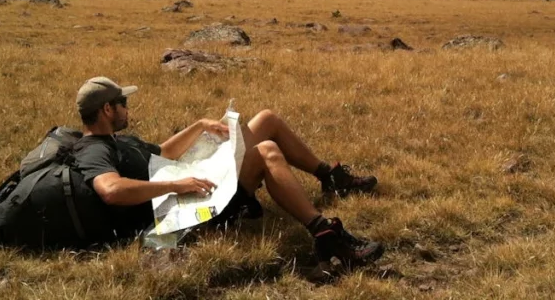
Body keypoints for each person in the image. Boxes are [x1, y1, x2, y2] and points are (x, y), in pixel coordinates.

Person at [72, 76, 384, 267]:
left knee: (266, 120)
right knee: (266, 152)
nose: (128, 107)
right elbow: (111, 191)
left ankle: (331, 177)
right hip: (186, 209)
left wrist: (199, 126)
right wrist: (178, 186)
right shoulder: (94, 151)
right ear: (108, 110)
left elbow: (162, 153)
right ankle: (325, 235)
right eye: (122, 102)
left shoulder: (117, 139)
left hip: (192, 182)